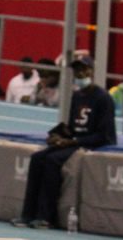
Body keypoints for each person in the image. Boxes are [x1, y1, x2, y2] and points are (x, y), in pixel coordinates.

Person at [12, 56, 116, 229]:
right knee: (37, 158)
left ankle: (46, 216)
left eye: (83, 70)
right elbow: (72, 127)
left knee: (52, 161)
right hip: (74, 142)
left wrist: (73, 141)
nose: (80, 74)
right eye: (77, 70)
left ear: (91, 72)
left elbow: (105, 135)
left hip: (89, 143)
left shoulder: (103, 98)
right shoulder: (77, 96)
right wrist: (57, 135)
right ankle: (28, 213)